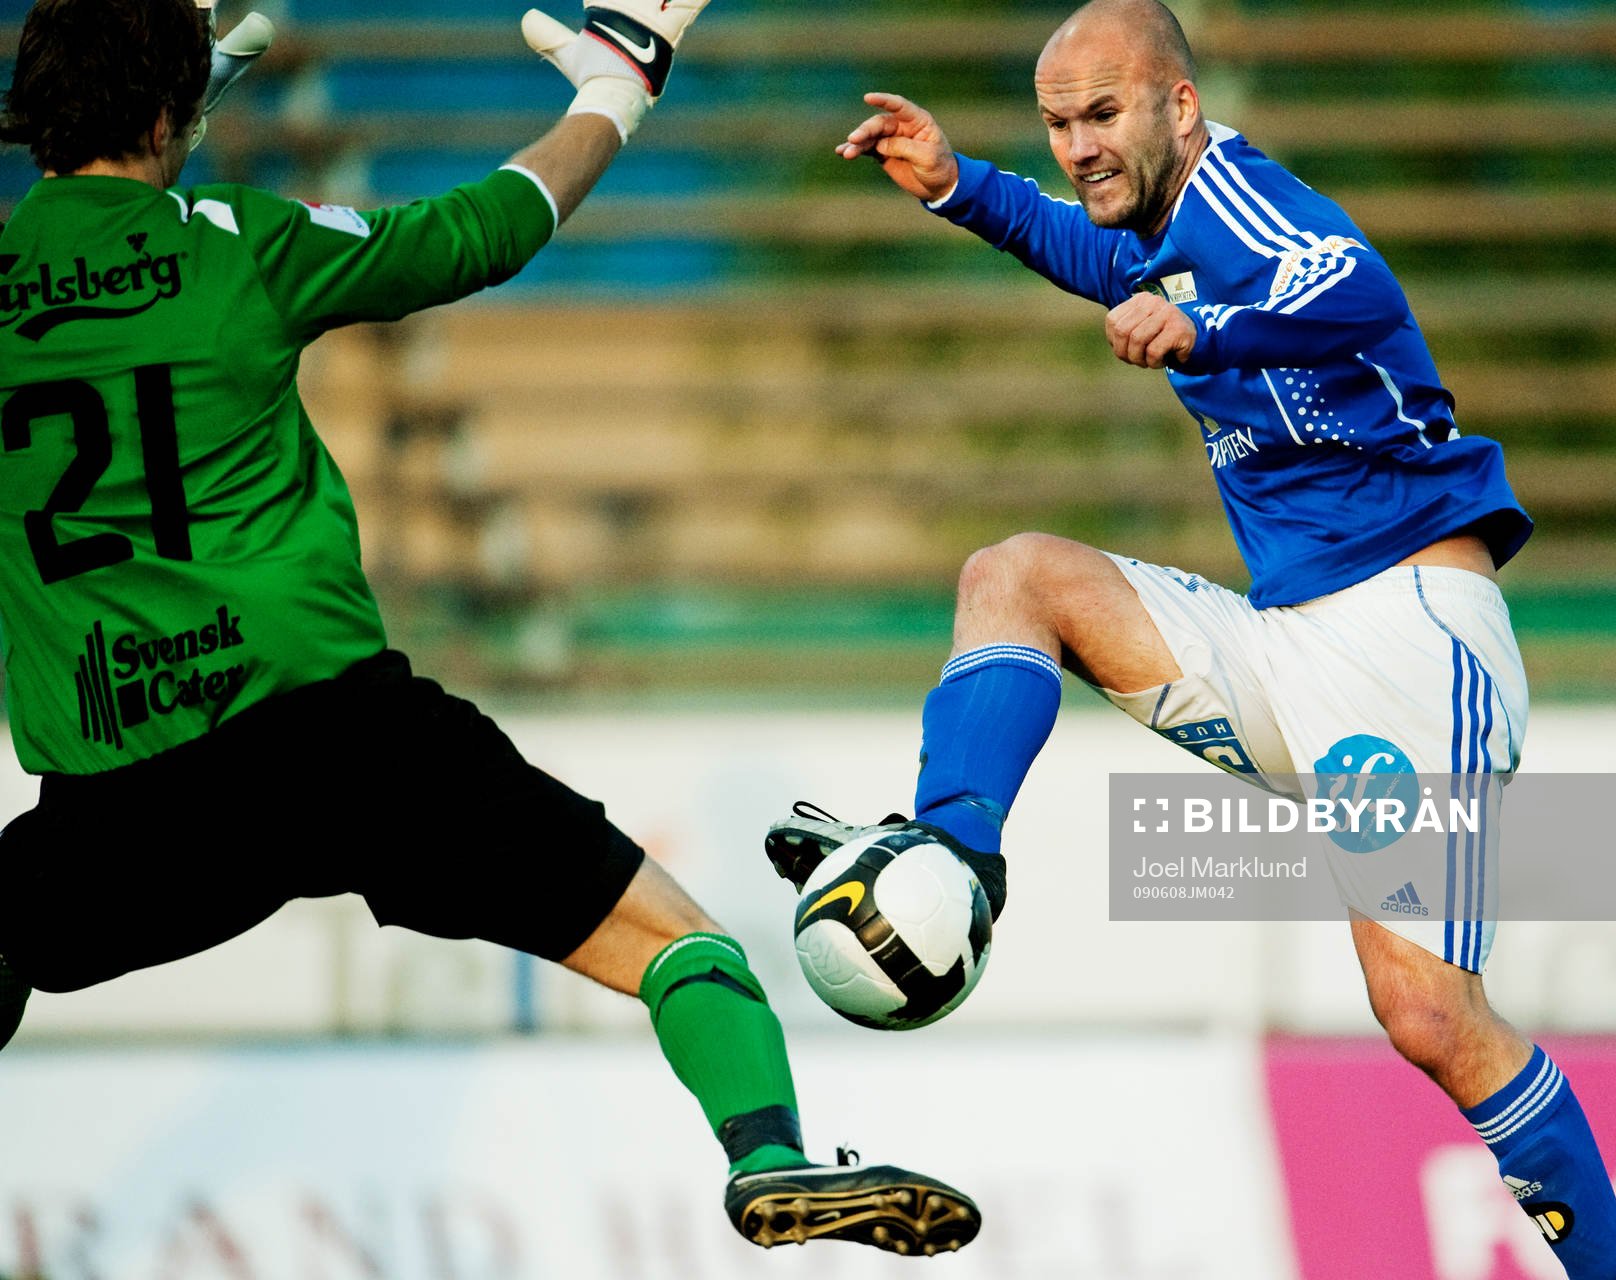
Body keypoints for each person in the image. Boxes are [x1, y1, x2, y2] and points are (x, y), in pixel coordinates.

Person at [0, 0, 979, 1256]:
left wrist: (182, 82)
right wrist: (616, 88)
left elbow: (98, 235)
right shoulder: (240, 244)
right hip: (337, 734)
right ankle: (768, 1155)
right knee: (676, 939)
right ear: (164, 112)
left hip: (124, 793)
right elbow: (487, 228)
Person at [765, 1, 1616, 1275]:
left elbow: (1352, 281)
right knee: (1015, 578)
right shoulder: (1156, 224)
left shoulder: (1239, 196)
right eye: (1058, 122)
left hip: (1409, 636)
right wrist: (958, 185)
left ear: (1180, 104)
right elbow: (1084, 247)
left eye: (1101, 114)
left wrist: (1209, 327)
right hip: (1287, 643)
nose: (1076, 146)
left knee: (1428, 1015)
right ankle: (954, 860)